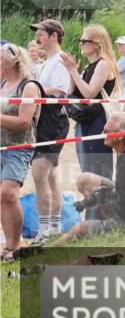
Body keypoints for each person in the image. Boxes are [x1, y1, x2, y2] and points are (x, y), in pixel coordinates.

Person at [51, 113, 125, 244]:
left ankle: (47, 251)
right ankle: (110, 222)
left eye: (107, 131)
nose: (102, 133)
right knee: (84, 181)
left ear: (120, 136)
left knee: (80, 228)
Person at [27, 19, 72, 239]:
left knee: (39, 174)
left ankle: (44, 230)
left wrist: (33, 88)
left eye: (41, 33)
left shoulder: (60, 61)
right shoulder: (46, 62)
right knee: (51, 176)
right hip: (44, 121)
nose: (37, 36)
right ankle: (54, 226)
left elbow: (60, 91)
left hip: (53, 121)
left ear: (53, 36)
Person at [61, 24, 120, 180]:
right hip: (85, 121)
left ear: (97, 43)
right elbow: (70, 94)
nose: (80, 43)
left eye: (84, 40)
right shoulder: (88, 66)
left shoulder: (104, 64)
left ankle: (104, 203)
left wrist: (74, 71)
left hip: (98, 121)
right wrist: (71, 72)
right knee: (87, 170)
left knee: (99, 171)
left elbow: (89, 94)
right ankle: (94, 203)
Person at [1, 43, 41, 261]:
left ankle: (14, 246)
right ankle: (7, 246)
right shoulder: (1, 84)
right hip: (0, 145)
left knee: (8, 192)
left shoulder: (29, 86)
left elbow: (23, 122)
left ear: (12, 61)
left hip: (19, 146)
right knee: (1, 197)